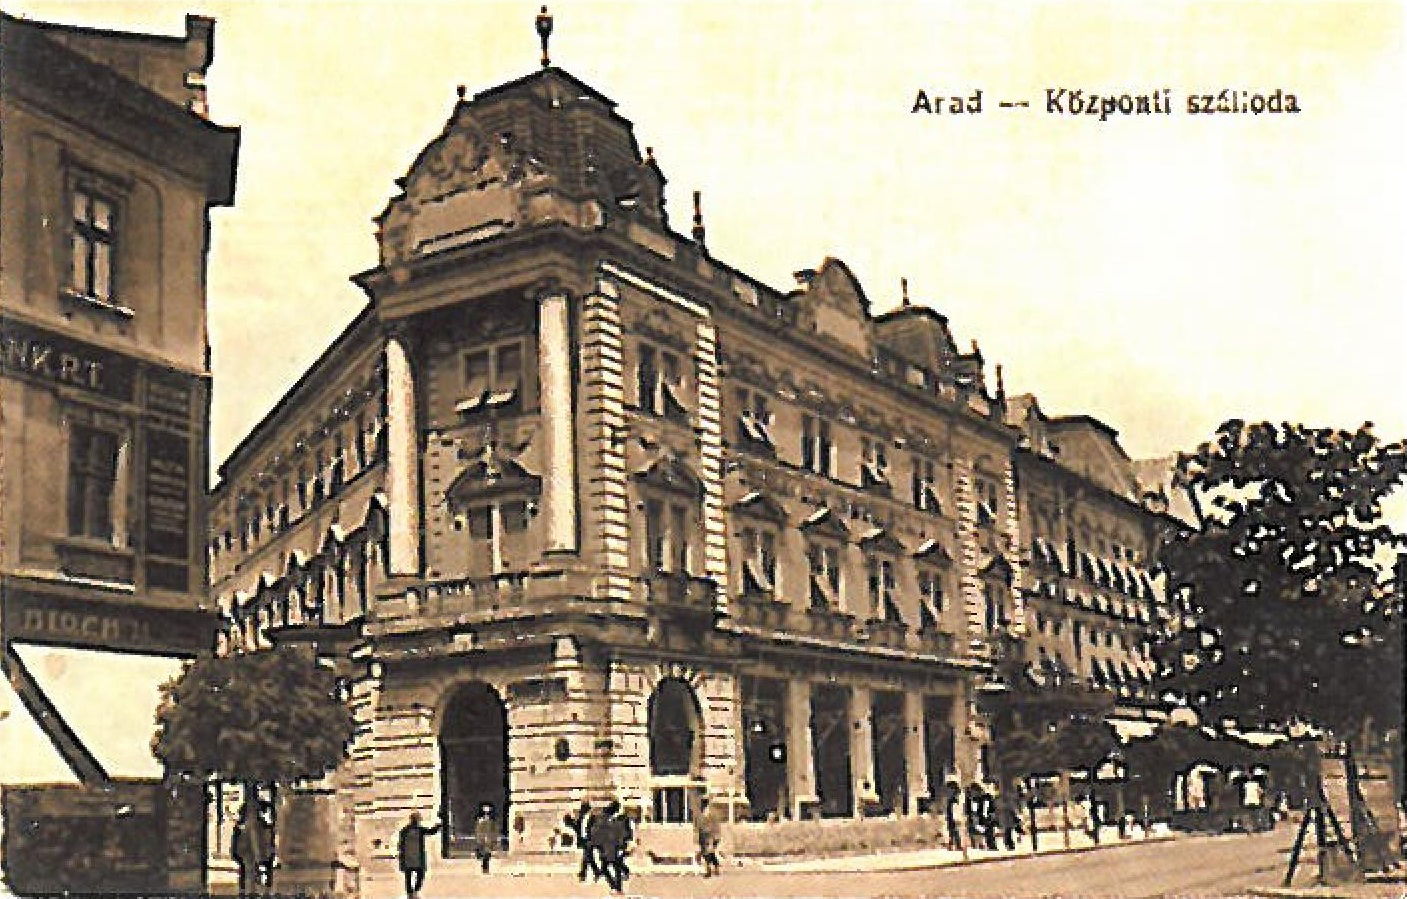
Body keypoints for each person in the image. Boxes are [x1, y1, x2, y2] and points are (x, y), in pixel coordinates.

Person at [397, 811, 442, 898]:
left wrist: (438, 825)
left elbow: (431, 831)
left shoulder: (407, 830)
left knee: (411, 875)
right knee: (417, 874)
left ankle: (412, 892)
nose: (416, 821)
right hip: (413, 856)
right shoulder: (413, 830)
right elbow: (431, 831)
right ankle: (412, 892)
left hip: (411, 856)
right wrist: (439, 825)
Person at [590, 801, 632, 894]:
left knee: (607, 867)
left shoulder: (606, 819)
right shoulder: (611, 819)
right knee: (613, 866)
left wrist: (596, 844)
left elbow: (597, 832)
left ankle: (616, 886)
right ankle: (617, 886)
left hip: (607, 846)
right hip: (610, 846)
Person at [565, 800, 601, 882]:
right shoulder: (581, 818)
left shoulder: (593, 818)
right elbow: (576, 827)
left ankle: (584, 874)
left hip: (589, 840)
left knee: (587, 856)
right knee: (588, 857)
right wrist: (569, 822)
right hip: (583, 839)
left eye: (583, 808)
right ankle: (594, 872)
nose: (582, 810)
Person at [694, 795, 723, 877]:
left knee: (707, 854)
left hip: (709, 836)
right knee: (710, 853)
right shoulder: (706, 813)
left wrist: (712, 837)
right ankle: (716, 868)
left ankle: (709, 871)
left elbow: (711, 826)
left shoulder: (708, 813)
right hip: (707, 836)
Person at [473, 806, 499, 874]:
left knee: (487, 855)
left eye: (488, 812)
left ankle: (486, 868)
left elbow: (494, 830)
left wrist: (494, 839)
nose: (486, 814)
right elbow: (478, 830)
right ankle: (485, 868)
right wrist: (479, 838)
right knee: (484, 854)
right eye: (485, 812)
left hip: (489, 840)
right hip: (482, 840)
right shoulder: (480, 820)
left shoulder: (491, 821)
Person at [943, 781, 965, 852]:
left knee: (953, 832)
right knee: (953, 832)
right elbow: (950, 810)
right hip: (951, 818)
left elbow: (954, 810)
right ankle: (953, 845)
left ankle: (954, 845)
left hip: (952, 818)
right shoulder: (951, 800)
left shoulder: (953, 800)